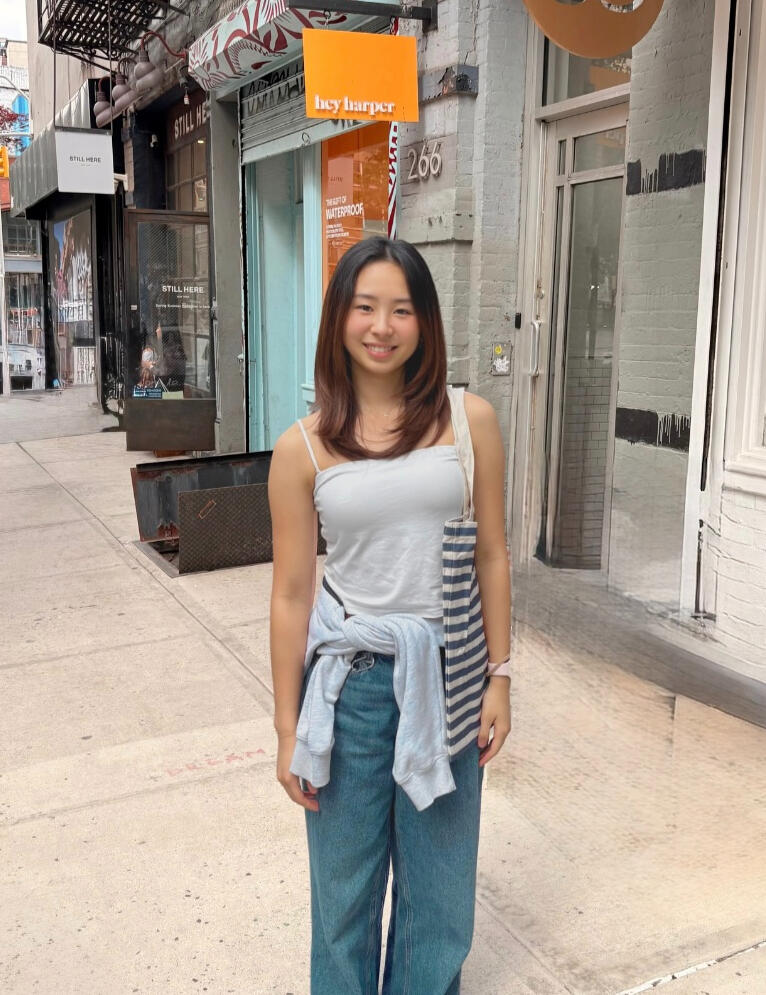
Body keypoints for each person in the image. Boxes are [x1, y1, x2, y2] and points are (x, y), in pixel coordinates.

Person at [268, 237, 512, 994]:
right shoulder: (303, 447)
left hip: (448, 678)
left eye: (401, 309)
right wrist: (286, 730)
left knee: (439, 897)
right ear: (339, 319)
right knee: (343, 897)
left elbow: (492, 554)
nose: (382, 326)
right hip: (352, 689)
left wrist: (500, 677)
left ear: (425, 321)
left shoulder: (470, 420)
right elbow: (291, 594)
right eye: (365, 307)